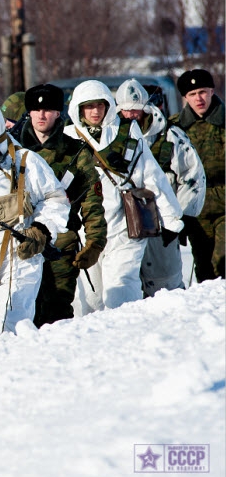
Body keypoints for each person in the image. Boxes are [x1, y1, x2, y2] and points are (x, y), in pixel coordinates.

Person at [64, 80, 185, 314]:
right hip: (86, 231)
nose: (96, 111)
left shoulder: (127, 131)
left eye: (100, 105)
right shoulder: (68, 137)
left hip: (125, 226)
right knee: (92, 299)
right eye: (89, 107)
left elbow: (152, 175)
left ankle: (128, 336)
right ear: (79, 109)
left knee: (122, 292)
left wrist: (171, 219)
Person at [0, 98, 70, 343]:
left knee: (13, 326)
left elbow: (55, 198)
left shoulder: (25, 161)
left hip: (18, 255)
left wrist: (41, 229)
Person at [15, 84, 107, 327]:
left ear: (59, 113)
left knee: (57, 312)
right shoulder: (11, 151)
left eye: (48, 109)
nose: (42, 115)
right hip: (20, 243)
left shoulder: (75, 152)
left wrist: (95, 242)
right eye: (36, 110)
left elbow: (91, 201)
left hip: (61, 243)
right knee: (23, 315)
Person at [115, 78, 206, 296]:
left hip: (162, 225)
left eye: (136, 109)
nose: (131, 115)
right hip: (123, 225)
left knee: (166, 285)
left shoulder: (170, 136)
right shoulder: (111, 138)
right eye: (125, 110)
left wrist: (181, 217)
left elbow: (193, 176)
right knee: (126, 287)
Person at [168, 68, 224, 281]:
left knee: (222, 260)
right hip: (194, 210)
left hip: (223, 206)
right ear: (185, 98)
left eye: (202, 91)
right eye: (192, 94)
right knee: (204, 268)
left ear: (211, 91)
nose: (198, 98)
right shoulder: (175, 128)